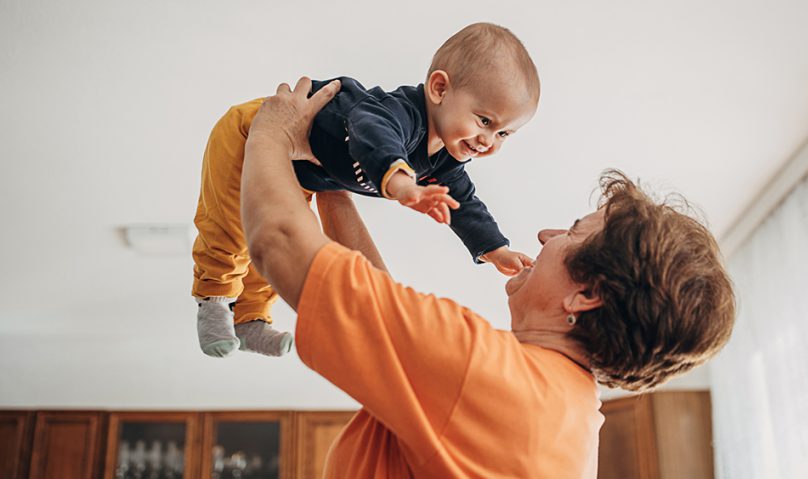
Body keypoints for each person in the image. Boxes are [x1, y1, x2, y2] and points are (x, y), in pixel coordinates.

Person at [240, 78, 736, 478]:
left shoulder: (491, 377)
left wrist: (271, 132)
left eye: (573, 233)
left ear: (586, 294)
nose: (546, 235)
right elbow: (379, 307)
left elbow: (278, 241)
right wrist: (333, 181)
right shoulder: (564, 413)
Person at [191, 22, 539, 358]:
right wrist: (401, 183)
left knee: (268, 238)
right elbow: (373, 133)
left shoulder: (445, 159)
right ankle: (214, 300)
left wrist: (495, 249)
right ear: (439, 89)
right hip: (253, 131)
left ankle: (250, 319)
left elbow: (464, 203)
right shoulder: (399, 113)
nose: (489, 142)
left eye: (504, 134)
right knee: (230, 230)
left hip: (300, 171)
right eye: (485, 122)